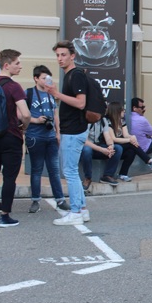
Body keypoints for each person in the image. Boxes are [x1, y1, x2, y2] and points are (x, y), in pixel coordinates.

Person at [46, 40, 90, 226]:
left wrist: (56, 94)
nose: (60, 58)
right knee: (72, 172)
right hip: (74, 129)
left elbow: (81, 103)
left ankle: (75, 212)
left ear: (72, 56)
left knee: (70, 172)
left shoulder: (75, 75)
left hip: (73, 130)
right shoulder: (71, 75)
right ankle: (82, 210)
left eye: (63, 55)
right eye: (57, 55)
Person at [25, 65, 69, 213]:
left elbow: (55, 114)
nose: (46, 81)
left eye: (48, 78)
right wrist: (37, 120)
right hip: (35, 136)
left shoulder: (51, 94)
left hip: (50, 136)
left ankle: (60, 200)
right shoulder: (29, 93)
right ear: (36, 78)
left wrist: (58, 132)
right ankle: (35, 201)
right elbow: (21, 114)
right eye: (44, 78)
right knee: (36, 170)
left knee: (54, 170)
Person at [0, 48, 31, 227]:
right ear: (7, 65)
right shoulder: (13, 86)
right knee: (9, 177)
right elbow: (25, 114)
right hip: (10, 136)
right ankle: (5, 216)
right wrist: (23, 127)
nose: (20, 66)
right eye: (17, 63)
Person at [105, 101, 152, 181]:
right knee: (131, 145)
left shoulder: (122, 120)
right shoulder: (108, 121)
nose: (124, 111)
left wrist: (132, 137)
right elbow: (113, 139)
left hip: (120, 144)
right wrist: (129, 140)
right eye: (122, 110)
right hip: (111, 145)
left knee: (131, 151)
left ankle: (123, 174)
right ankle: (149, 161)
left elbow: (126, 134)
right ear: (116, 111)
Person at [79, 113, 123, 188]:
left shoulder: (103, 120)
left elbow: (107, 136)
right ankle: (88, 178)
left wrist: (110, 146)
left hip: (98, 146)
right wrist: (102, 150)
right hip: (87, 147)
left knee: (118, 148)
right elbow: (85, 142)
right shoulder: (86, 120)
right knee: (87, 150)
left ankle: (108, 175)